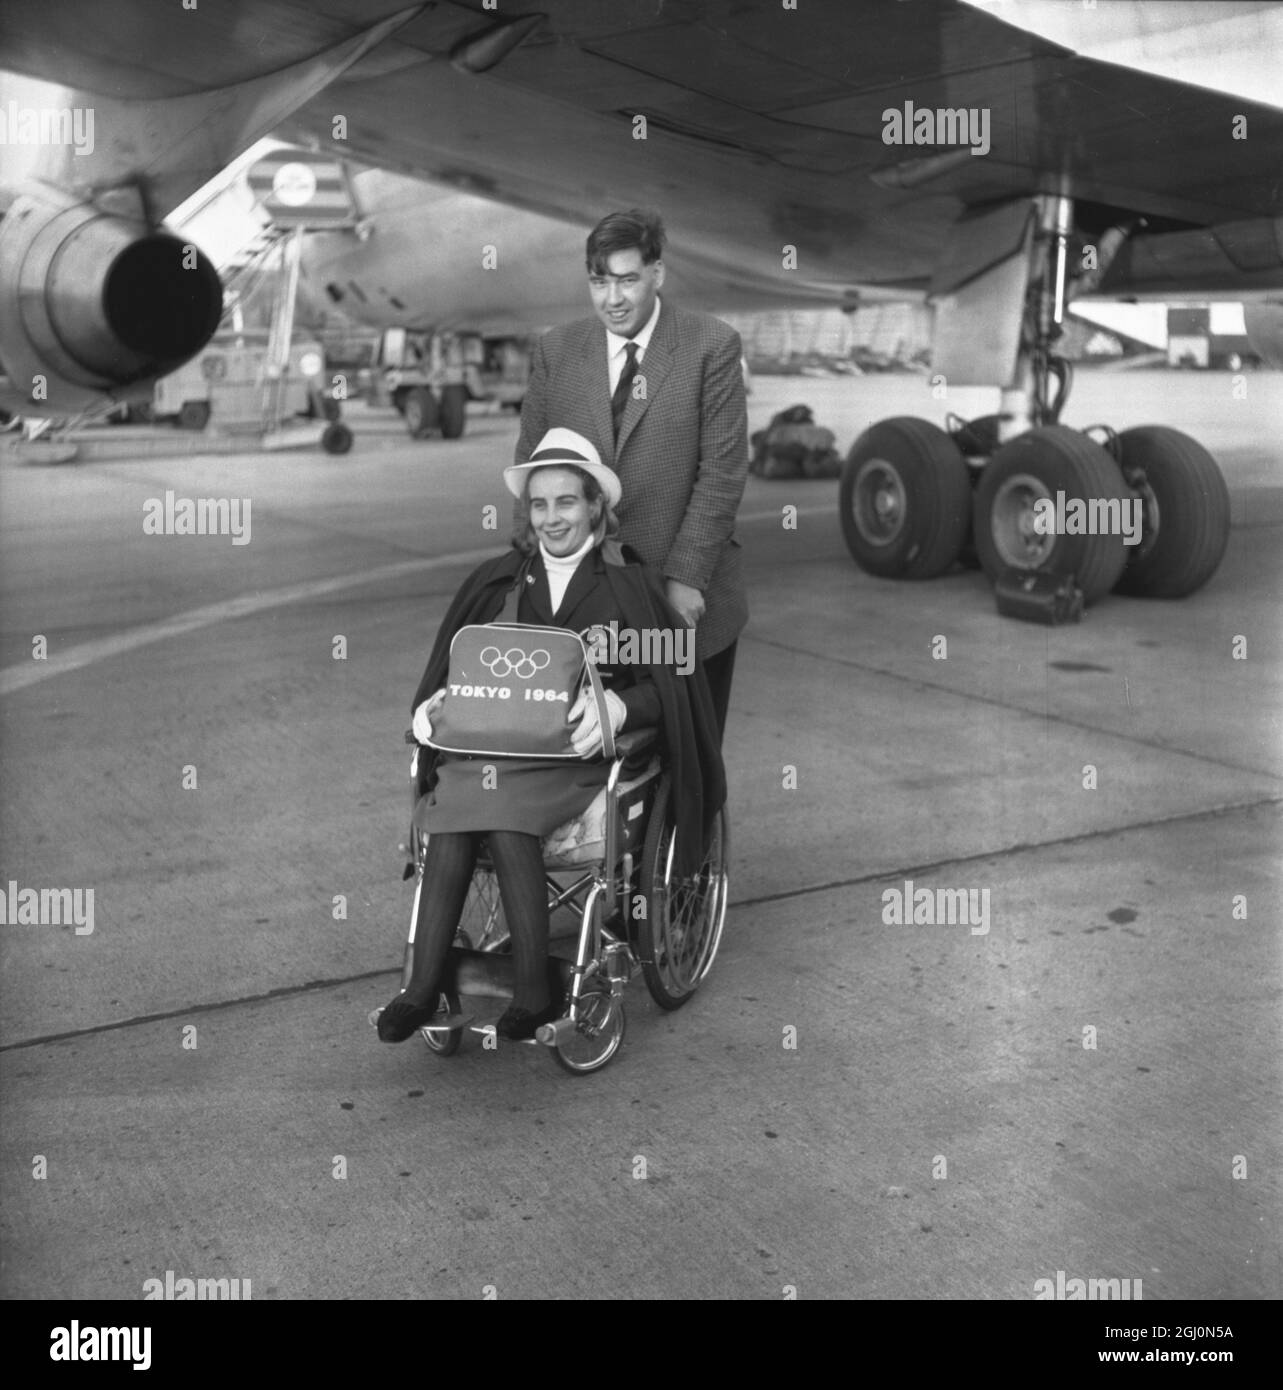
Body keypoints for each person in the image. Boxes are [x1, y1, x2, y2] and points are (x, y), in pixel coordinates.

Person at [378, 428, 725, 1044]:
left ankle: (534, 990)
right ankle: (421, 984)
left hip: (572, 757)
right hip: (498, 751)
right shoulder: (502, 582)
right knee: (455, 806)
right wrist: (438, 701)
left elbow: (674, 685)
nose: (550, 518)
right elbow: (460, 668)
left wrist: (621, 705)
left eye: (565, 502)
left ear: (594, 505)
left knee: (501, 811)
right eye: (539, 505)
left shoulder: (628, 586)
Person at [515, 208, 749, 739]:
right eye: (599, 282)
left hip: (682, 596)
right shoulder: (557, 350)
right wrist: (526, 570)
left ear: (657, 274)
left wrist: (687, 577)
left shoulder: (710, 345)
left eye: (627, 280)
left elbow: (722, 474)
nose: (612, 299)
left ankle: (693, 826)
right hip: (586, 602)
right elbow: (531, 462)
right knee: (585, 755)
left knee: (689, 758)